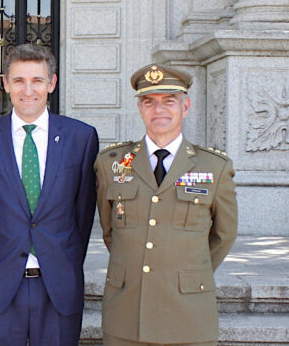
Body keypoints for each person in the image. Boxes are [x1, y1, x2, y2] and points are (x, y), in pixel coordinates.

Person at [0, 43, 100, 345]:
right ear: (5, 84)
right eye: (19, 80)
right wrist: (2, 251)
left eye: (37, 80)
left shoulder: (81, 137)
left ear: (51, 83)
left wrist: (61, 256)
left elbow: (83, 212)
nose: (28, 90)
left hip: (58, 285)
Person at [96, 64, 238, 346]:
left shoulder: (214, 167)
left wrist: (187, 269)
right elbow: (110, 230)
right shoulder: (111, 163)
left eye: (168, 101)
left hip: (188, 311)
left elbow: (224, 235)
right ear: (140, 108)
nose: (159, 109)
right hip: (127, 309)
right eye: (149, 101)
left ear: (185, 107)